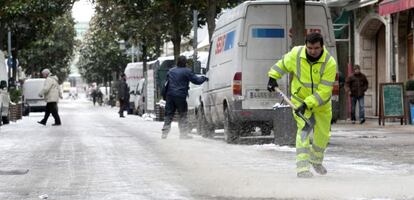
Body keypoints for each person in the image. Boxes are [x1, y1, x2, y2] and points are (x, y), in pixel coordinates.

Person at [267, 32, 337, 178]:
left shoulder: (329, 63)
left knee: (322, 136)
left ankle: (316, 161)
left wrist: (308, 103)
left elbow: (324, 91)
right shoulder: (296, 54)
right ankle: (302, 169)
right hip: (298, 100)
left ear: (322, 46)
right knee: (304, 130)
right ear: (306, 44)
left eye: (316, 48)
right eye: (310, 47)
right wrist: (273, 77)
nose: (312, 51)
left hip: (321, 104)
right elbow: (282, 64)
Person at [161, 56, 208, 139]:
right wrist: (204, 78)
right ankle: (183, 134)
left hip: (170, 96)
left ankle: (164, 133)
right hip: (180, 96)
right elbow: (196, 81)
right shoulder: (187, 71)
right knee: (182, 115)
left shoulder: (171, 71)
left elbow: (166, 83)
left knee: (169, 115)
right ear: (185, 63)